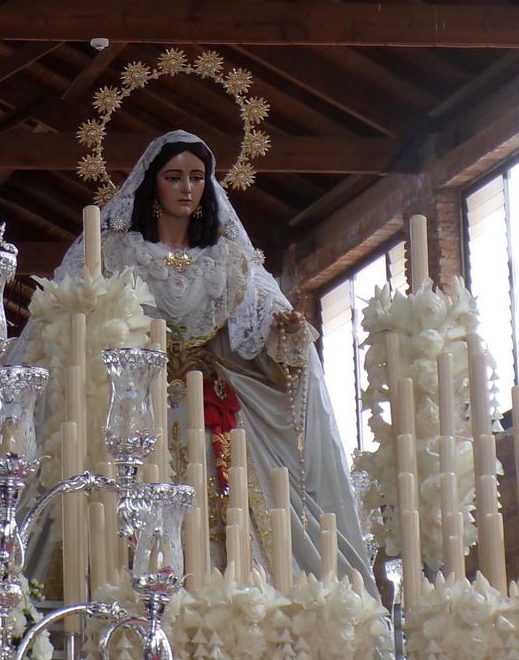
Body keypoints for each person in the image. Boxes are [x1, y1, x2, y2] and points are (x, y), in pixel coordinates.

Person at [43, 129, 372, 587]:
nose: (186, 189)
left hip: (210, 411)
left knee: (221, 511)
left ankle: (220, 601)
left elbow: (260, 333)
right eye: (174, 177)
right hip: (134, 407)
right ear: (152, 184)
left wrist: (285, 332)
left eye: (196, 178)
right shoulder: (115, 253)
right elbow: (73, 322)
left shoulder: (229, 260)